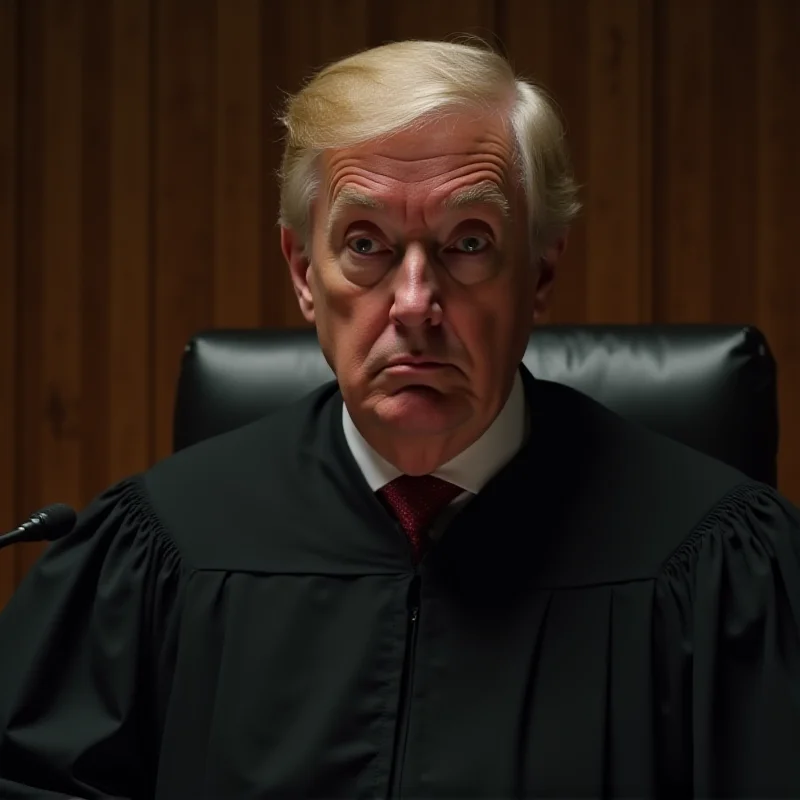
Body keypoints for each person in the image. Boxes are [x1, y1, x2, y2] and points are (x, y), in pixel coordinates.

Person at [1, 38, 799, 800]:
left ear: (542, 269)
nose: (415, 304)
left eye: (470, 242)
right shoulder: (156, 553)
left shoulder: (718, 566)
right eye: (365, 243)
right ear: (304, 272)